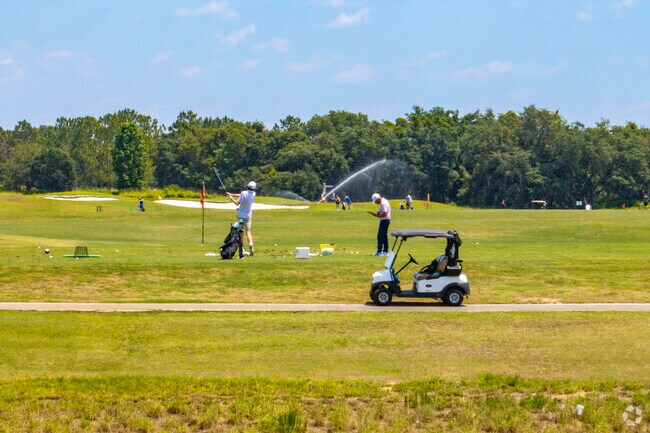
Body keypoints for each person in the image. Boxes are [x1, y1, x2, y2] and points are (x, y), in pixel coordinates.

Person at [226, 181, 257, 257]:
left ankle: (242, 249)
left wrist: (230, 198)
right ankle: (250, 244)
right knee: (248, 231)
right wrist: (232, 194)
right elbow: (241, 195)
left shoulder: (243, 193)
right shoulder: (253, 194)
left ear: (248, 186)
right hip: (248, 216)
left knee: (240, 233)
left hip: (240, 216)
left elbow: (237, 203)